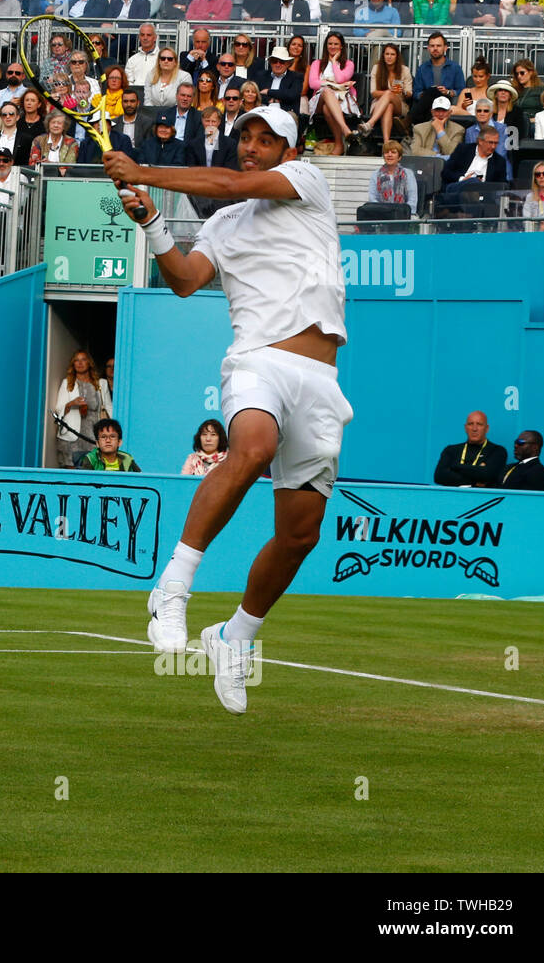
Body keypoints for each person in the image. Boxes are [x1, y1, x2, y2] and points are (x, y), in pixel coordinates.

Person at [107, 105, 351, 715]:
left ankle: (234, 637)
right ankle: (172, 589)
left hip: (321, 378)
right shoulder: (222, 223)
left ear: (288, 153)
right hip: (257, 362)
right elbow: (187, 279)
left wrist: (145, 171)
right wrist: (154, 225)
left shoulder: (307, 183)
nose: (251, 147)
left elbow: (234, 184)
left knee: (300, 535)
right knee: (253, 449)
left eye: (267, 139)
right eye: (245, 136)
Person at [53, 350, 110, 469]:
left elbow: (109, 408)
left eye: (83, 360)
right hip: (72, 436)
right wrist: (72, 403)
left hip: (94, 436)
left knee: (94, 470)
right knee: (71, 474)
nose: (80, 363)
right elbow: (59, 409)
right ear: (73, 365)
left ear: (89, 363)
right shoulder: (68, 383)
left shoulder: (101, 383)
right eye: (76, 360)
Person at [306, 31, 357, 156]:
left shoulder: (348, 64)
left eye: (336, 44)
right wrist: (331, 84)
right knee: (327, 91)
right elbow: (313, 84)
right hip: (319, 99)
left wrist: (334, 62)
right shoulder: (316, 63)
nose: (332, 46)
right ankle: (345, 130)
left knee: (327, 108)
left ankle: (339, 145)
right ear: (326, 45)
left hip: (340, 100)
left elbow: (340, 79)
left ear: (341, 47)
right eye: (330, 44)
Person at [433, 410, 506, 486]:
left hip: (481, 497)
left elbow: (487, 475)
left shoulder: (497, 451)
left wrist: (455, 467)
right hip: (452, 497)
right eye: (470, 424)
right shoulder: (451, 450)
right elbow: (439, 476)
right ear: (465, 428)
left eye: (479, 424)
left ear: (487, 428)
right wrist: (474, 482)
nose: (474, 429)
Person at [367, 140, 418, 215]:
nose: (389, 155)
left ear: (399, 157)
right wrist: (384, 212)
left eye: (393, 152)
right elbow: (372, 199)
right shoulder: (375, 174)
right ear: (384, 156)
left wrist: (401, 213)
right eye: (387, 152)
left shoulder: (408, 174)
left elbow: (412, 200)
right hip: (381, 215)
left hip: (403, 216)